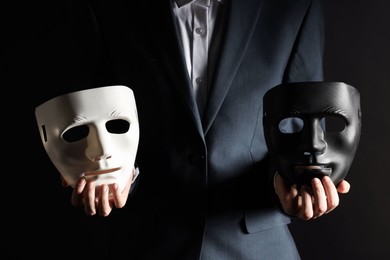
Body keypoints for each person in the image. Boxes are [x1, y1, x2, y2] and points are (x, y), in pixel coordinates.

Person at [37, 0, 350, 259]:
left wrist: (290, 183)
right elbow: (94, 124)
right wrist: (109, 177)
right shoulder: (104, 9)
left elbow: (301, 133)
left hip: (257, 249)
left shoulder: (293, 7)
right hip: (145, 245)